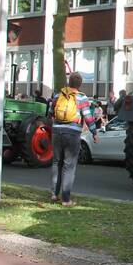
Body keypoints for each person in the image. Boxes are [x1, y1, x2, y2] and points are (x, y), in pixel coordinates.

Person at [49, 72, 98, 207]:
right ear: (80, 84)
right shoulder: (82, 98)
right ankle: (66, 199)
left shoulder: (58, 95)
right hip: (72, 133)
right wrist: (94, 132)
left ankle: (54, 194)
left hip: (57, 131)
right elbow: (88, 117)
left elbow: (51, 112)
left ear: (68, 83)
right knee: (69, 166)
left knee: (56, 162)